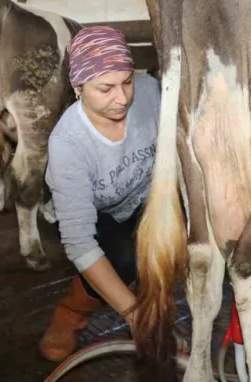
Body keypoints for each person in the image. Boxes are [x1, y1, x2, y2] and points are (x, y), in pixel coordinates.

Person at [38, 25, 160, 362]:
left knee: (161, 250)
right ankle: (71, 314)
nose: (122, 98)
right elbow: (80, 242)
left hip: (143, 198)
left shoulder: (151, 93)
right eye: (105, 88)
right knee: (120, 259)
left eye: (126, 82)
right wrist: (133, 315)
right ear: (77, 88)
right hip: (97, 214)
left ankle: (157, 313)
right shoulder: (67, 143)